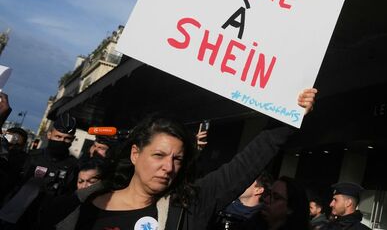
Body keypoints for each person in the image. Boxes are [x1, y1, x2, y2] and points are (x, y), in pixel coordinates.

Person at [42, 88, 316, 230]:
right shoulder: (72, 207)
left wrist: (289, 114)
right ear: (135, 153)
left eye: (177, 158)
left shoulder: (189, 206)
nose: (168, 167)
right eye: (159, 155)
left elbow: (245, 164)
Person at [0, 114, 79, 228]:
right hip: (14, 217)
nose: (62, 141)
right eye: (58, 137)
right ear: (49, 134)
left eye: (67, 138)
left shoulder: (73, 166)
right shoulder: (31, 157)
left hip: (44, 221)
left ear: (72, 139)